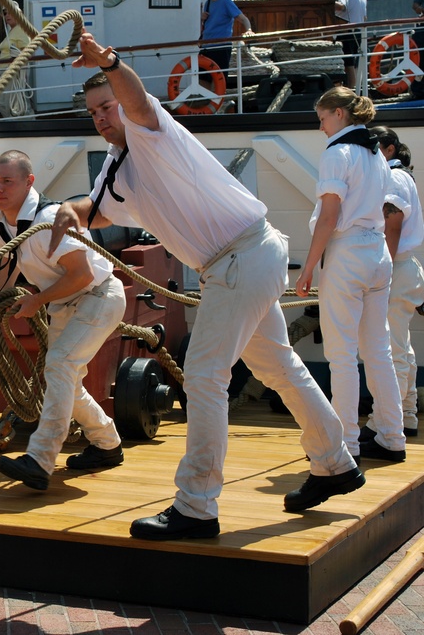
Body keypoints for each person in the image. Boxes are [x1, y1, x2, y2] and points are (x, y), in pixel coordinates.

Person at [50, 33, 360, 540]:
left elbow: (134, 98)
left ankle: (196, 506)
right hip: (247, 257)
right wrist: (72, 209)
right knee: (279, 366)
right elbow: (100, 208)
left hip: (239, 258)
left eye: (107, 106)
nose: (103, 117)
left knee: (204, 376)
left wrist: (110, 60)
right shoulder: (118, 163)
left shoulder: (152, 131)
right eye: (94, 113)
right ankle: (335, 463)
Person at [0, 150, 125, 491]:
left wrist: (36, 300)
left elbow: (81, 275)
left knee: (59, 365)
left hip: (97, 296)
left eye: (8, 181)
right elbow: (11, 263)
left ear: (29, 182)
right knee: (67, 381)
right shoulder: (1, 220)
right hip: (64, 304)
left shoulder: (49, 219)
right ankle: (107, 445)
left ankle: (40, 458)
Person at [295, 90, 406, 465]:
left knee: (341, 354)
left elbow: (329, 217)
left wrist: (309, 266)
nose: (320, 125)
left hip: (348, 253)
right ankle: (392, 436)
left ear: (338, 114)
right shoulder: (376, 154)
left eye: (322, 117)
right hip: (377, 253)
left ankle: (346, 444)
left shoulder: (337, 153)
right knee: (378, 351)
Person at [361, 127, 424, 440]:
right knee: (401, 348)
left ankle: (382, 424)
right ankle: (406, 415)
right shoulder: (400, 177)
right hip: (403, 268)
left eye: (372, 147)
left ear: (387, 149)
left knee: (390, 350)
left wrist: (379, 271)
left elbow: (392, 227)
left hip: (393, 269)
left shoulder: (392, 178)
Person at [200, 0, 253, 75]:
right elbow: (207, 24)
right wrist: (202, 18)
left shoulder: (226, 2)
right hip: (206, 47)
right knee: (203, 77)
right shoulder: (207, 3)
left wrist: (249, 30)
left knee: (219, 78)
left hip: (221, 46)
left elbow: (243, 19)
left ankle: (217, 92)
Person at [0, 3, 33, 118]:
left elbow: (27, 51)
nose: (7, 15)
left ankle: (29, 124)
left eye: (11, 12)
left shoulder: (22, 29)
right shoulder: (13, 31)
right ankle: (14, 124)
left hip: (13, 73)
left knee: (17, 102)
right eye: (5, 13)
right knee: (1, 101)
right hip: (6, 72)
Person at [334, 0, 367, 89]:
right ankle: (357, 86)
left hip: (347, 31)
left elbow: (342, 7)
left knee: (347, 62)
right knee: (355, 61)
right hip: (358, 31)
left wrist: (328, 3)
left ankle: (351, 88)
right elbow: (365, 17)